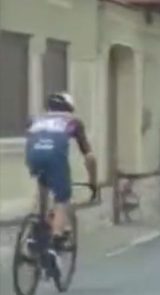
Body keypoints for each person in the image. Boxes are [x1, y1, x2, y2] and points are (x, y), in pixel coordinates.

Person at [25, 92, 97, 261]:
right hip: (55, 156)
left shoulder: (36, 120)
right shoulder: (72, 122)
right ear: (70, 109)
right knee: (62, 198)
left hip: (32, 154)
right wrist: (93, 181)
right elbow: (90, 157)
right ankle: (56, 240)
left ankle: (36, 227)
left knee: (42, 183)